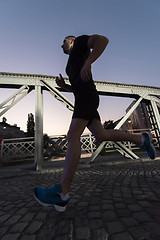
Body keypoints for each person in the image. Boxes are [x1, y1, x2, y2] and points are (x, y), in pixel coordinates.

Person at [33, 34, 156, 212]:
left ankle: (61, 193)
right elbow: (76, 87)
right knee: (101, 134)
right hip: (83, 97)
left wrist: (89, 62)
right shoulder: (71, 64)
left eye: (64, 42)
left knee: (73, 135)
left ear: (72, 41)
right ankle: (142, 139)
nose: (61, 46)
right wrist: (63, 86)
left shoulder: (81, 43)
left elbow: (103, 40)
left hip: (87, 97)